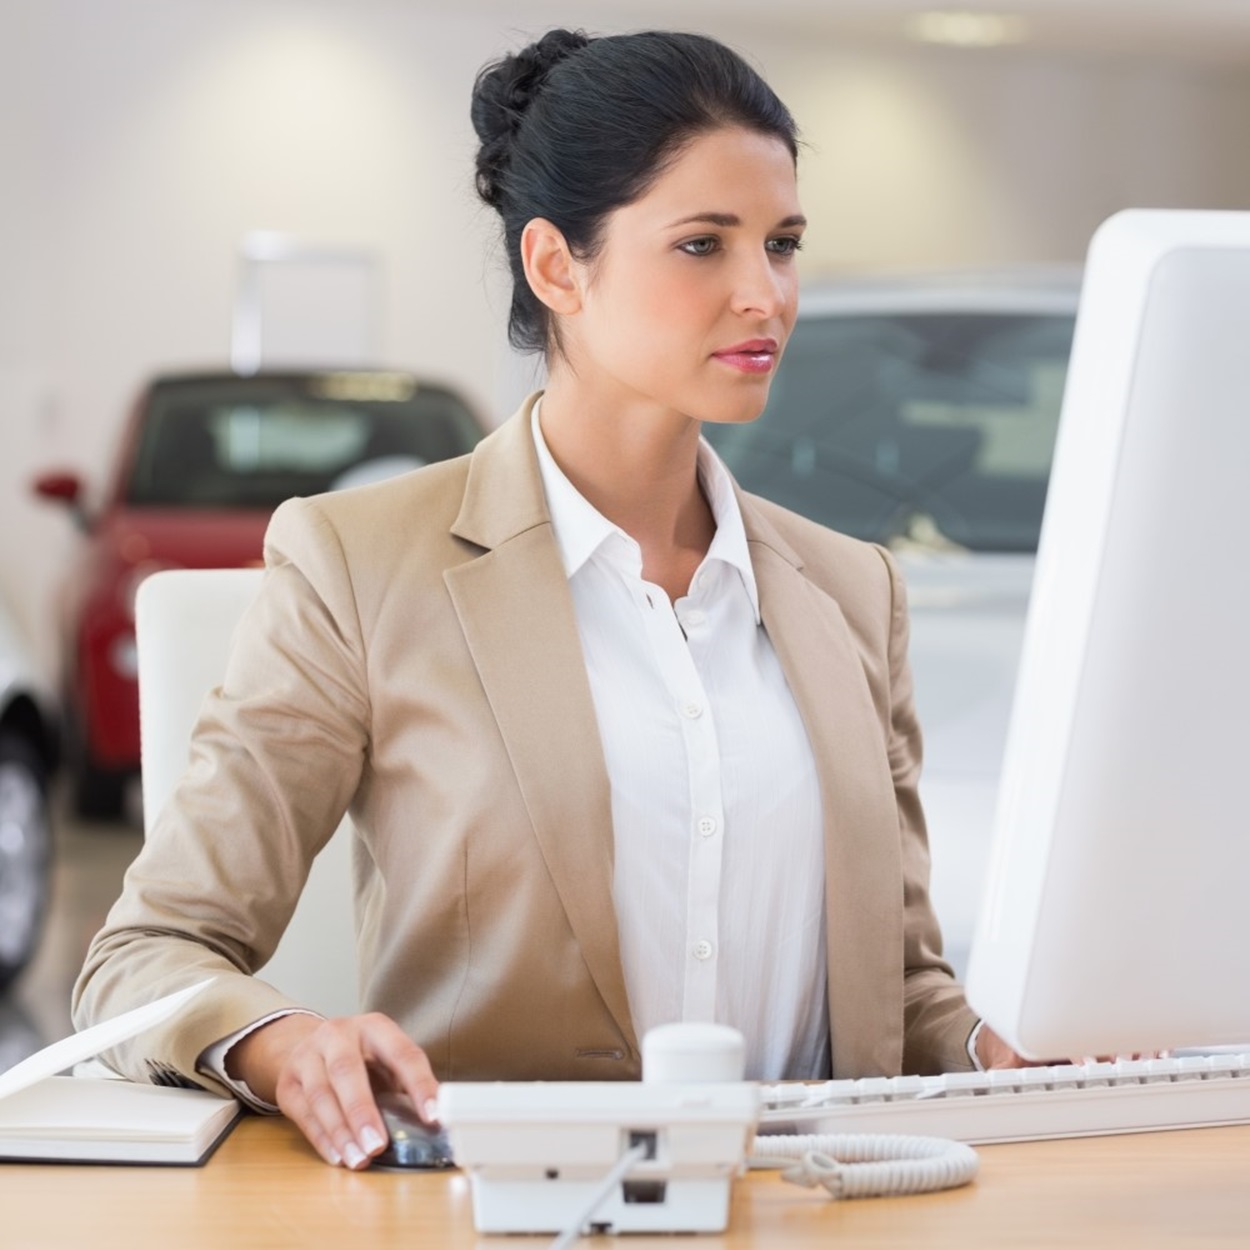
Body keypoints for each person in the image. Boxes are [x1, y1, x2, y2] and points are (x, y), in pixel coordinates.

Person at [73, 27, 1023, 1173]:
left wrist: (989, 1045)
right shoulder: (359, 566)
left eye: (780, 243)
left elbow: (901, 983)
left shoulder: (851, 590)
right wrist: (281, 1040)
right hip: (501, 1210)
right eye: (700, 245)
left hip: (814, 1206)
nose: (761, 293)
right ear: (555, 265)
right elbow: (148, 953)